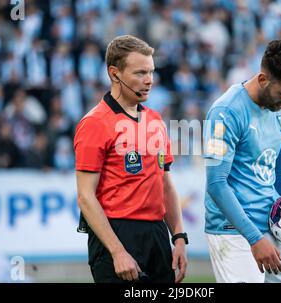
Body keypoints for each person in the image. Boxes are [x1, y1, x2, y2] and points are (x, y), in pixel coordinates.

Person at [203, 38, 281, 283]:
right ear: (263, 80)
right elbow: (216, 183)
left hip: (270, 227)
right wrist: (254, 238)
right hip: (233, 232)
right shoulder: (225, 113)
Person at [74, 35, 187, 283]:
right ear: (115, 74)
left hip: (157, 235)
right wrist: (117, 251)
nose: (149, 81)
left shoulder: (155, 120)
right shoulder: (94, 123)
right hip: (116, 234)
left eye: (151, 72)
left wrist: (179, 237)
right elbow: (85, 196)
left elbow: (165, 185)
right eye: (140, 73)